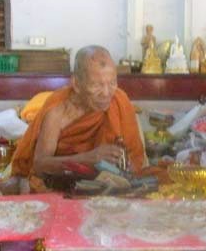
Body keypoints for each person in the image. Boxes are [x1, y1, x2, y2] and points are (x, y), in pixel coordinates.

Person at [11, 45, 145, 191]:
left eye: (112, 83)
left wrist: (124, 167)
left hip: (106, 188)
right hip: (61, 186)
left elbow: (135, 158)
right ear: (76, 84)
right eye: (96, 85)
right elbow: (40, 165)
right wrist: (88, 159)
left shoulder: (120, 100)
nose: (106, 93)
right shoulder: (58, 112)